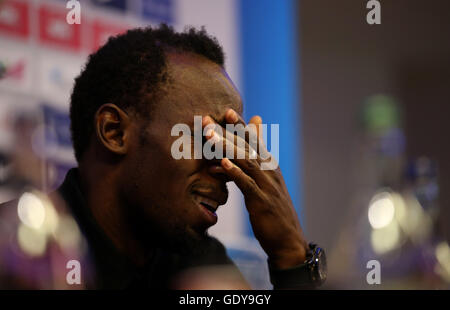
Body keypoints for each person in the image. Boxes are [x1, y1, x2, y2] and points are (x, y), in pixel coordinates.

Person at [2, 24, 326, 289]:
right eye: (207, 137)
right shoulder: (17, 250)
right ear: (115, 131)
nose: (227, 166)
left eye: (232, 141)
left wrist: (291, 257)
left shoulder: (196, 257)